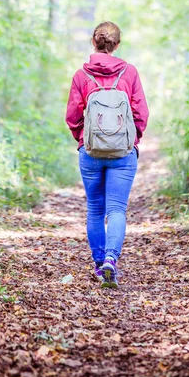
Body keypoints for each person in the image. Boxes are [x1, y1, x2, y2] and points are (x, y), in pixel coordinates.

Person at [65, 21, 149, 288]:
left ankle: (100, 265)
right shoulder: (130, 72)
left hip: (90, 152)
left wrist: (83, 141)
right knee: (116, 210)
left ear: (94, 42)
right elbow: (140, 114)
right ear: (117, 44)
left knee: (94, 209)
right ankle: (112, 259)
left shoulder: (81, 76)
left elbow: (73, 117)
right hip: (123, 153)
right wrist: (132, 141)